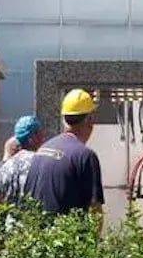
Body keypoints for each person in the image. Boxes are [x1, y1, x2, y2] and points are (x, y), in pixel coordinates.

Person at [24, 89, 104, 221]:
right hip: (67, 233)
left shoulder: (42, 150)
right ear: (90, 120)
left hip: (37, 231)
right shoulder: (85, 156)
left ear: (64, 119)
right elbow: (95, 211)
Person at [0, 115, 45, 206]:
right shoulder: (39, 163)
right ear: (32, 139)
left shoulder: (5, 167)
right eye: (40, 134)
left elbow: (0, 199)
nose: (43, 138)